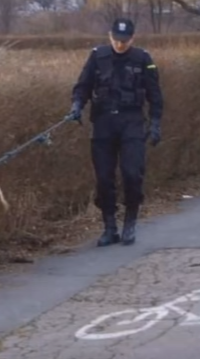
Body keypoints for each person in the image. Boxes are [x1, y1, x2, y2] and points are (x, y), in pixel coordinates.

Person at [68, 18, 164, 247]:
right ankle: (109, 227)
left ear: (132, 38)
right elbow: (82, 86)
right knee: (104, 178)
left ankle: (130, 221)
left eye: (125, 40)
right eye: (117, 40)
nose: (120, 45)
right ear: (110, 36)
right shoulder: (97, 56)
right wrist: (76, 105)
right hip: (103, 123)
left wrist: (155, 122)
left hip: (131, 122)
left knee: (132, 173)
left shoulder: (143, 59)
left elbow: (155, 94)